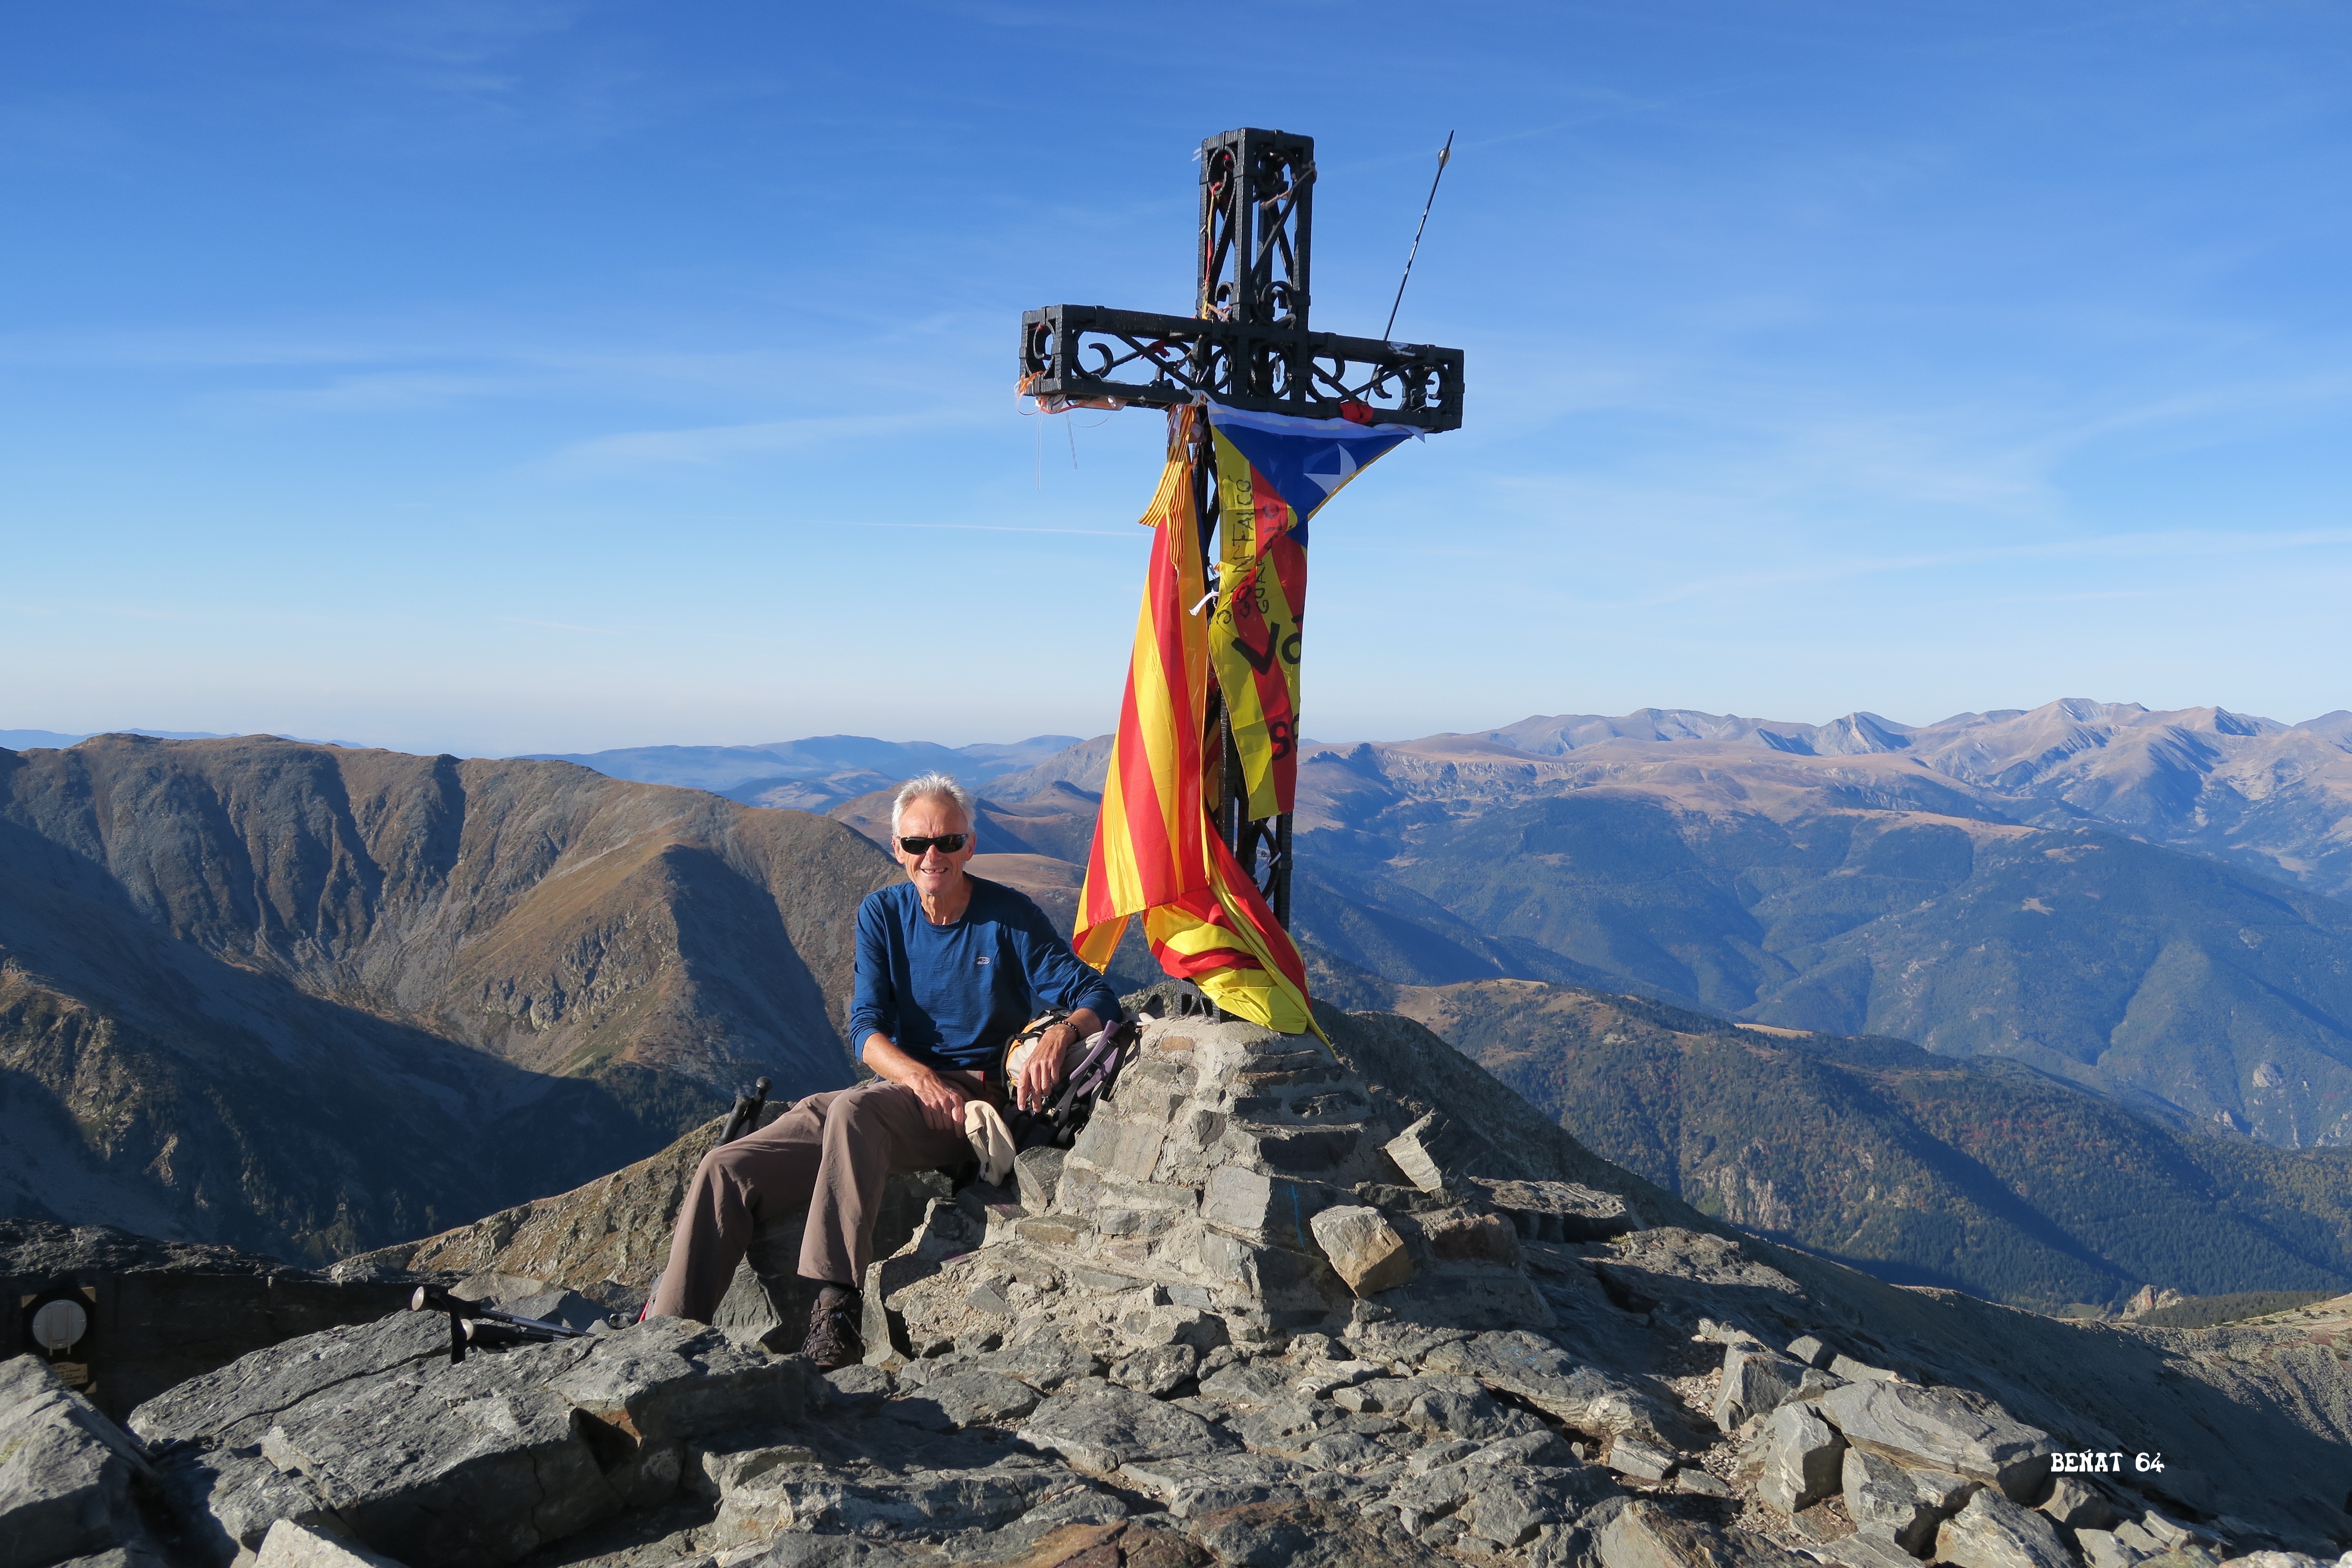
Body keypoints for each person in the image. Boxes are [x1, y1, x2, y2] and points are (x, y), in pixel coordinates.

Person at [645, 771, 1120, 1366]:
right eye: (918, 843)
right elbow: (865, 1028)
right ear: (898, 849)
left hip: (970, 1099)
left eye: (948, 841)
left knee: (855, 1110)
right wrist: (916, 1077)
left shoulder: (1009, 917)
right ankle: (661, 1342)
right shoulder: (883, 914)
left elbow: (1097, 994)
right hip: (900, 1088)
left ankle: (836, 1310)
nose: (933, 856)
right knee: (726, 1168)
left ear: (970, 846)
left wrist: (1062, 1034)